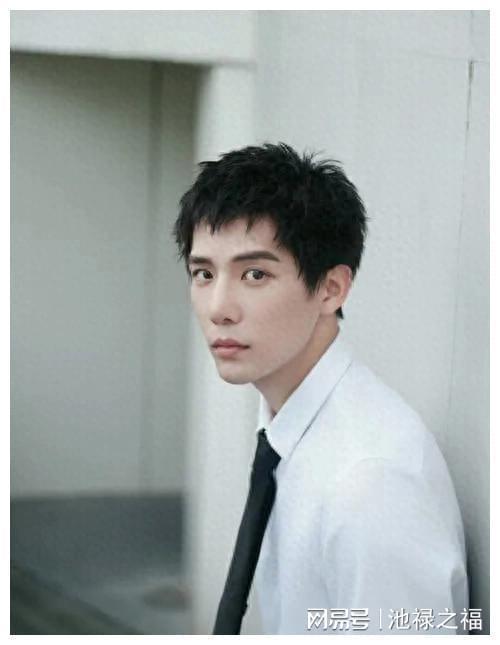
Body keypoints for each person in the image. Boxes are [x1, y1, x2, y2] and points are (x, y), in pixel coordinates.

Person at [172, 142, 469, 635]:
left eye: (254, 274)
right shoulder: (290, 427)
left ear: (332, 289)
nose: (219, 307)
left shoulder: (369, 483)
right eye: (203, 273)